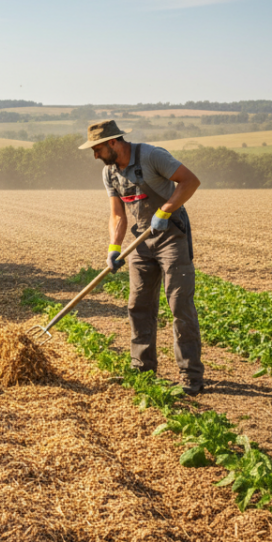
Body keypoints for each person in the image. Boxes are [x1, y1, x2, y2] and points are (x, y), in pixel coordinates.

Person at [78, 120, 205, 394]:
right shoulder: (110, 173)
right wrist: (114, 247)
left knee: (179, 305)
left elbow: (190, 181)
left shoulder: (151, 156)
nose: (95, 155)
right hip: (140, 243)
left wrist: (165, 211)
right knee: (138, 306)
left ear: (113, 142)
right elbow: (117, 214)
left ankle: (191, 376)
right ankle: (143, 369)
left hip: (171, 237)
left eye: (97, 148)